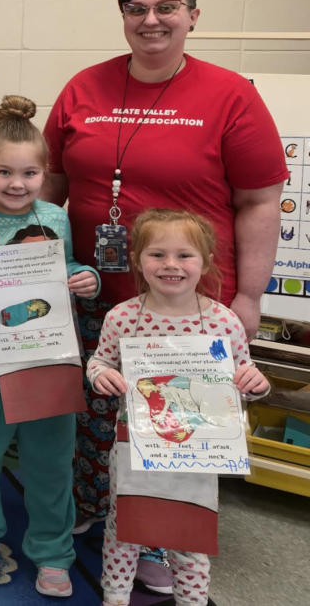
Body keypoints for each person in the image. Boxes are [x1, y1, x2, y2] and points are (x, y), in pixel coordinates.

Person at [41, 0, 287, 591]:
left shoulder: (231, 96)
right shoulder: (84, 87)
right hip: (98, 294)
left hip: (188, 305)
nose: (152, 20)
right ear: (122, 15)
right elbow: (50, 188)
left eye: (168, 7)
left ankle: (159, 540)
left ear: (194, 15)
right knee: (99, 419)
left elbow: (260, 201)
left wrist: (251, 296)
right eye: (137, 8)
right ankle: (99, 511)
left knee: (171, 428)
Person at [85, 208, 270, 606]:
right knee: (125, 528)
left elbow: (245, 375)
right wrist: (99, 375)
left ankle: (193, 600)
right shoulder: (123, 318)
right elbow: (100, 361)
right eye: (157, 254)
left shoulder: (224, 322)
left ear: (205, 261)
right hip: (133, 444)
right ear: (137, 259)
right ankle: (115, 597)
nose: (171, 265)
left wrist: (256, 385)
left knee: (191, 533)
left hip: (197, 448)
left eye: (184, 255)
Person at [0, 96, 100, 599]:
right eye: (4, 172)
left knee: (51, 460)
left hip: (48, 360)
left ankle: (54, 552)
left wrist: (87, 278)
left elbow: (73, 266)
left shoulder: (56, 220)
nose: (17, 184)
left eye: (31, 173)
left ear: (46, 173)